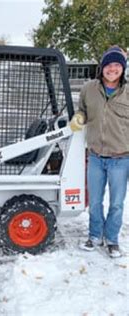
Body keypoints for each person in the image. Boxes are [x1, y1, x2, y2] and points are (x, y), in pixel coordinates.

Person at [70, 45, 128, 258]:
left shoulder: (128, 91)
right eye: (108, 65)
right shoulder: (88, 89)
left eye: (117, 65)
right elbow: (82, 111)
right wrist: (79, 118)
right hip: (95, 156)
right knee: (94, 201)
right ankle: (95, 236)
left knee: (116, 203)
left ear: (122, 69)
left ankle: (111, 239)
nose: (112, 69)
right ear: (102, 67)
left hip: (121, 159)